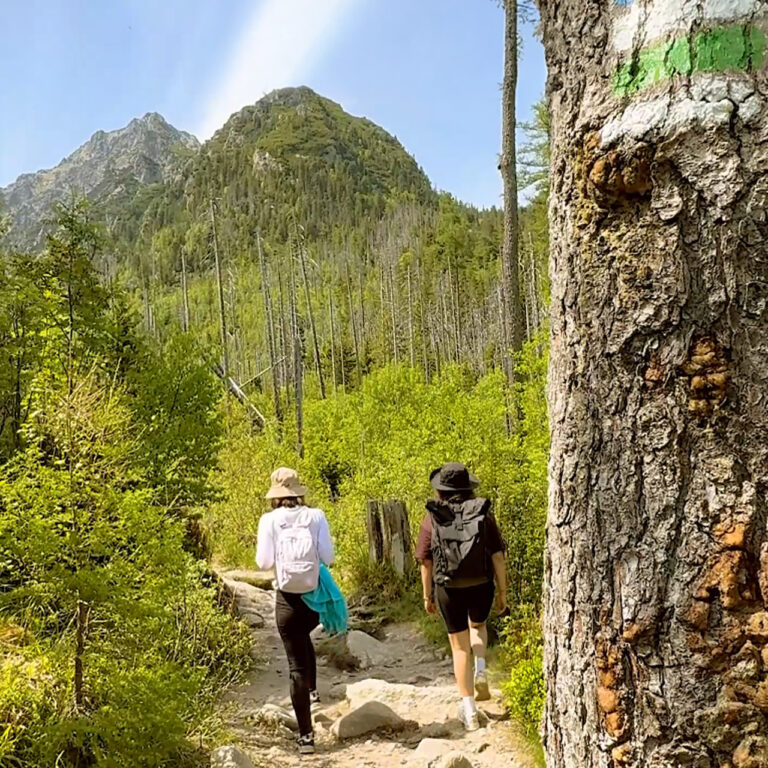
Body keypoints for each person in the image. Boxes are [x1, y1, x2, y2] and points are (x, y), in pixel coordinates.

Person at [415, 462, 507, 732]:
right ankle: (480, 668)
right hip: (481, 584)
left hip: (448, 587)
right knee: (477, 626)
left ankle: (469, 710)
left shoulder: (432, 518)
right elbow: (498, 557)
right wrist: (503, 593)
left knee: (458, 647)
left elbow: (425, 562)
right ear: (468, 488)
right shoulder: (483, 515)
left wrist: (426, 595)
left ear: (440, 491)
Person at [256, 467, 335, 756]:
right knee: (305, 639)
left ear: (275, 496)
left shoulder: (269, 521)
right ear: (298, 492)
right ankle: (313, 693)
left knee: (295, 665)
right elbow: (329, 556)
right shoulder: (316, 516)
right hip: (313, 600)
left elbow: (264, 563)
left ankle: (306, 738)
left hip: (287, 601)